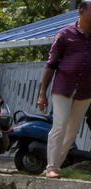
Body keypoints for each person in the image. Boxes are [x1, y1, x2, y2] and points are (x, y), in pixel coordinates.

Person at [38, 0, 91, 178]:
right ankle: (51, 166)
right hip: (63, 87)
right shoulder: (65, 34)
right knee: (59, 126)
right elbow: (51, 65)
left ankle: (54, 167)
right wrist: (42, 93)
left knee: (73, 131)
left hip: (85, 91)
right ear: (82, 11)